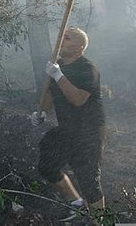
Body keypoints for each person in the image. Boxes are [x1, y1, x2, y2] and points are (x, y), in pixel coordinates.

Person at [32, 27, 106, 221]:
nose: (61, 40)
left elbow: (78, 99)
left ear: (80, 47)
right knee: (48, 166)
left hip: (88, 132)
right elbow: (48, 98)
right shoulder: (55, 67)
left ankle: (102, 221)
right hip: (67, 130)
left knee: (90, 183)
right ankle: (76, 204)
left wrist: (59, 75)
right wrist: (39, 114)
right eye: (61, 37)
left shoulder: (86, 69)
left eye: (67, 38)